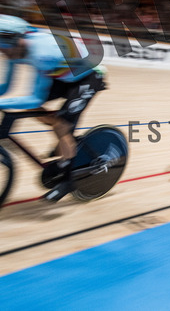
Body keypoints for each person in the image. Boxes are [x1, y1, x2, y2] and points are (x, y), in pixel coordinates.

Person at [0, 14, 107, 202]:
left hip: (88, 78)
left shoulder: (41, 52)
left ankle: (67, 180)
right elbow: (6, 87)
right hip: (64, 75)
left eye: (4, 48)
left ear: (16, 40)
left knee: (61, 125)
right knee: (32, 111)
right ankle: (66, 141)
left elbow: (35, 99)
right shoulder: (15, 47)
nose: (3, 52)